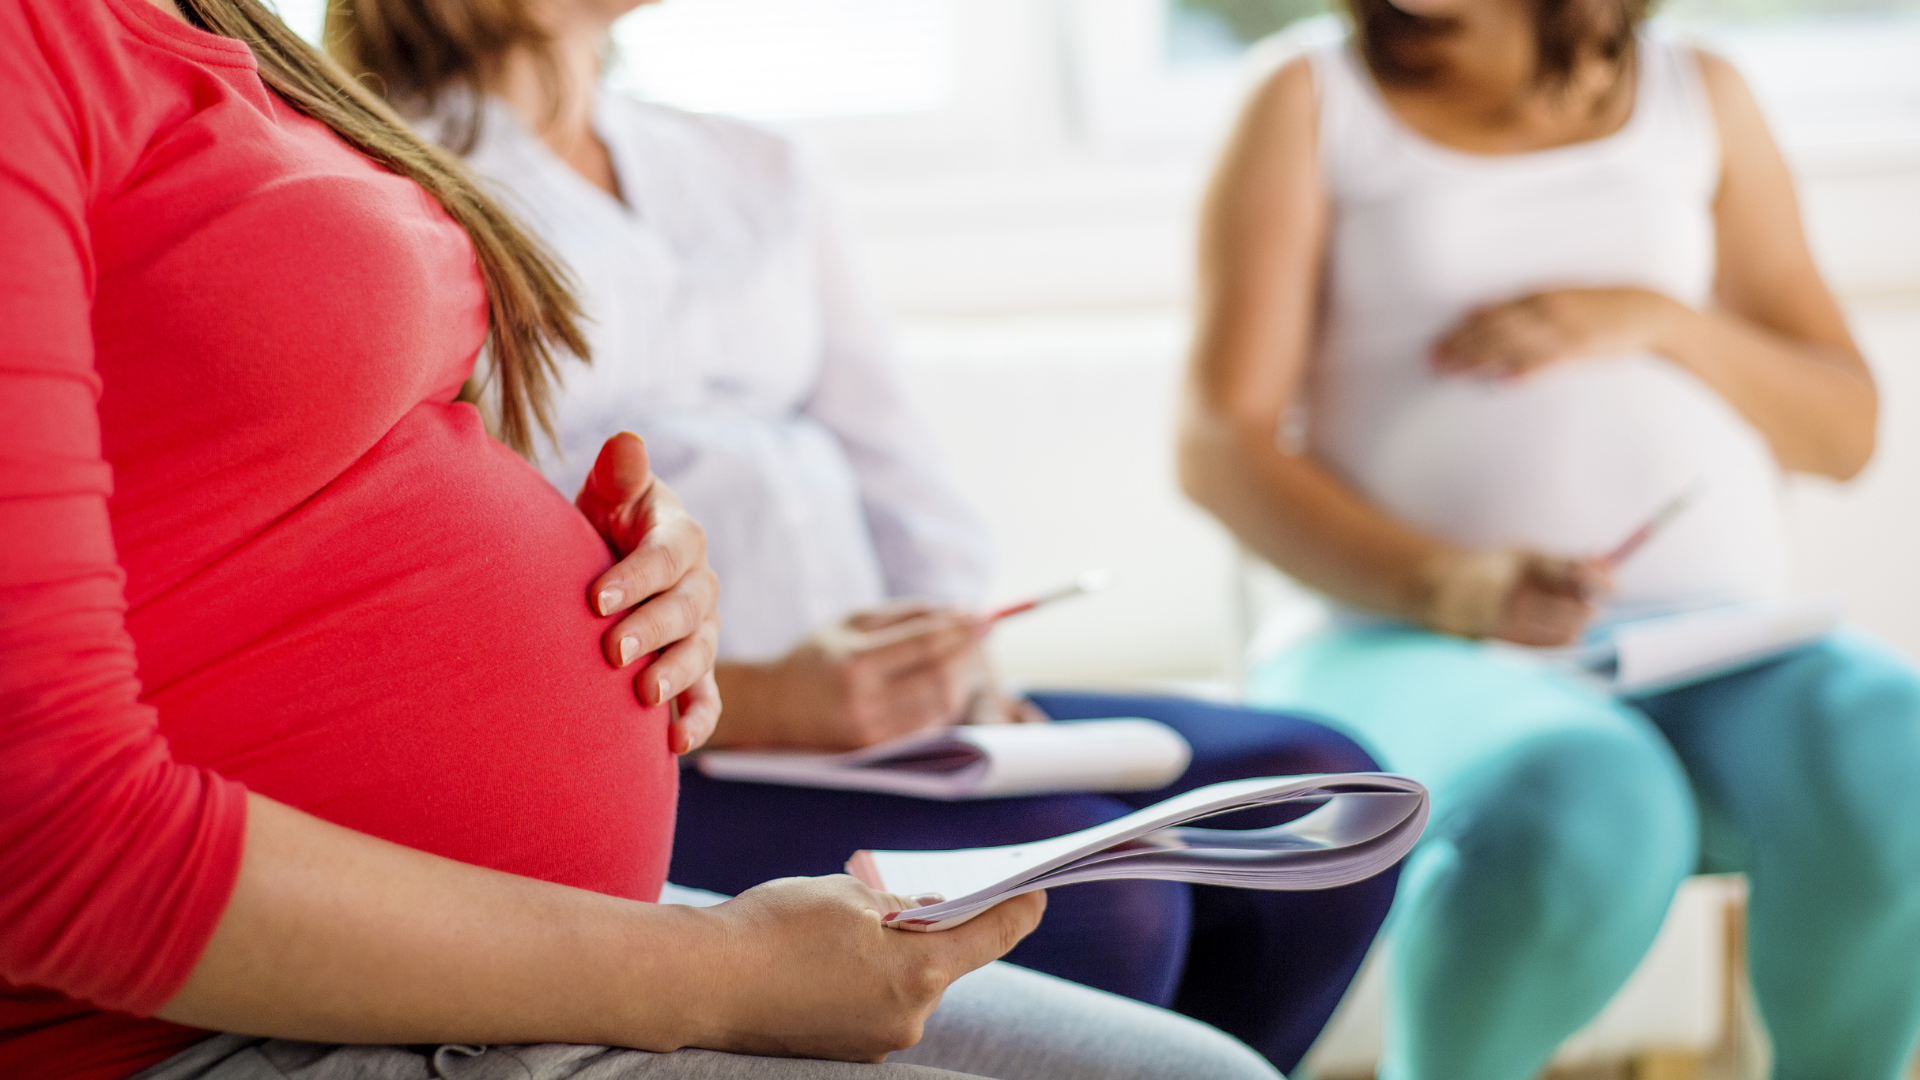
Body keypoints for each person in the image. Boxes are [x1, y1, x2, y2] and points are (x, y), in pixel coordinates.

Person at [0, 1, 1296, 1078]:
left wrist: (622, 567)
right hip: (213, 1015)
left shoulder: (223, 38)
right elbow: (50, 843)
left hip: (545, 920)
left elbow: (256, 479)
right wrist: (722, 979)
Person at [323, 0, 1403, 1069]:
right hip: (672, 748)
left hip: (893, 727)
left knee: (1318, 798)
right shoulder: (377, 184)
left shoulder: (749, 162)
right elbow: (446, 582)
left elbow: (889, 457)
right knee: (1103, 907)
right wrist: (763, 701)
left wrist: (962, 657)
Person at [1176, 0, 1920, 1075]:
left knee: (1897, 749)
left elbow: (1843, 431)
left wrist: (1657, 317)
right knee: (1581, 797)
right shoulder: (1309, 98)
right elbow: (1219, 444)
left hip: (1711, 645)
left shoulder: (1699, 94)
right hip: (1404, 643)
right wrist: (1449, 586)